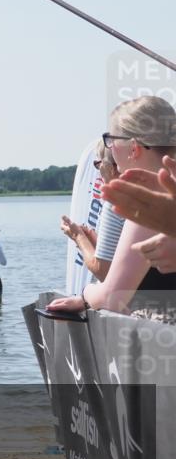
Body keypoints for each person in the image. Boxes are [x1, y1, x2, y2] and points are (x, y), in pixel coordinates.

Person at [48, 96, 176, 319]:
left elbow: (112, 299)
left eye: (111, 140)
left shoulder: (148, 200)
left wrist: (85, 294)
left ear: (133, 147)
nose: (110, 149)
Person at [59, 144, 125, 282]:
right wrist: (91, 240)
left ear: (110, 168)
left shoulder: (115, 203)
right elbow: (122, 255)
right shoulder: (143, 196)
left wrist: (78, 237)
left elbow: (102, 271)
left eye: (98, 163)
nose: (98, 170)